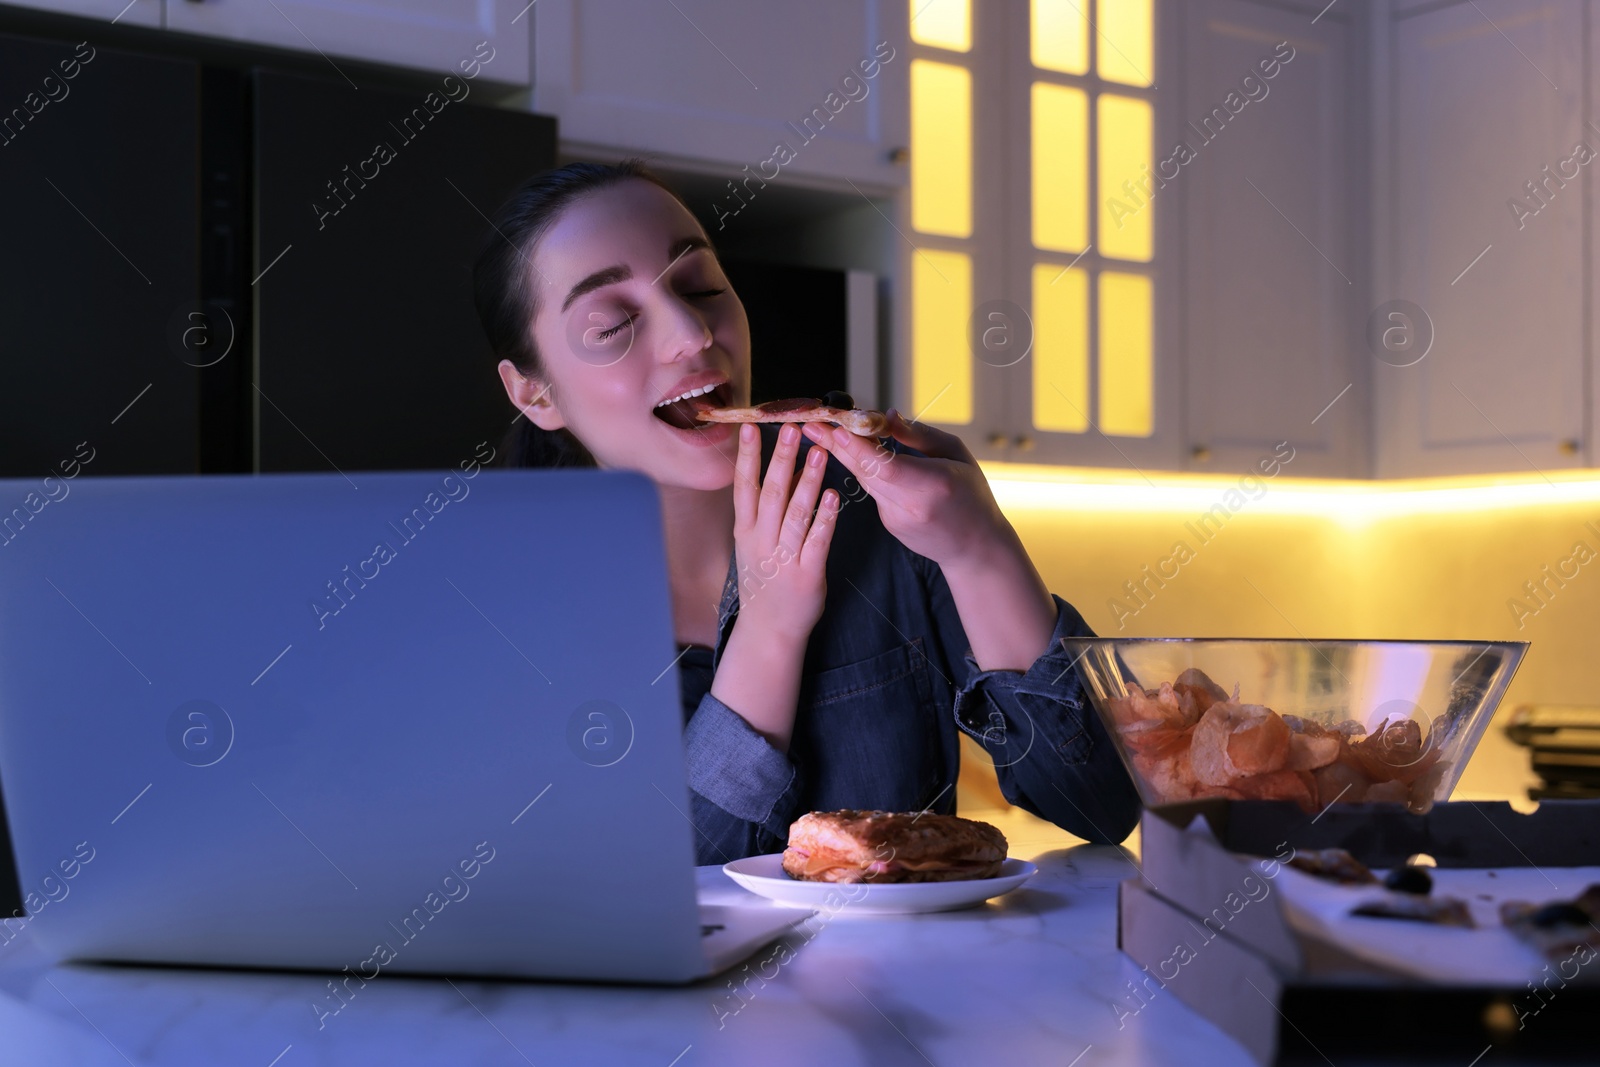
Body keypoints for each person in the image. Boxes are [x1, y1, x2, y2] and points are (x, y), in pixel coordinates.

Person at [472, 159, 1140, 863]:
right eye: (612, 324)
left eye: (699, 286)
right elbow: (656, 895)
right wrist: (769, 626)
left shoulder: (882, 512)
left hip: (911, 977)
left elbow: (1098, 803)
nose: (692, 334)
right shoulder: (517, 629)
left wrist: (982, 549)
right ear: (534, 394)